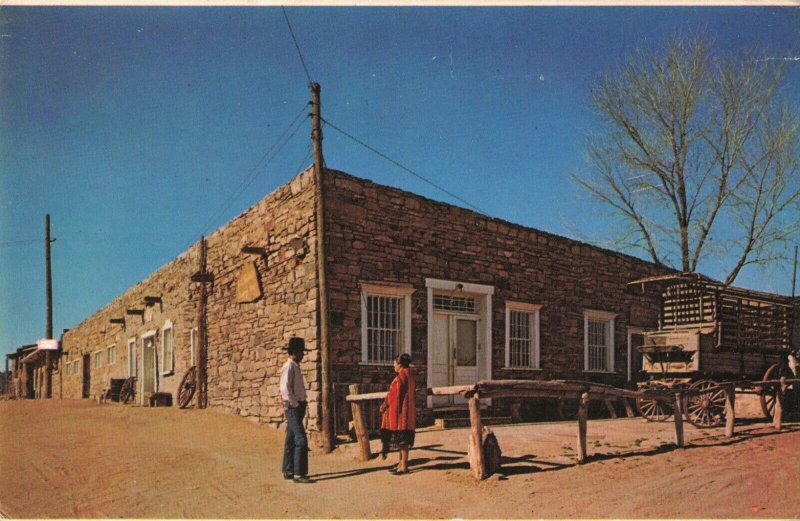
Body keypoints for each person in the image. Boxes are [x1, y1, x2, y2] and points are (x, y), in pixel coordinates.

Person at [279, 337, 313, 484]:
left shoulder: (295, 366)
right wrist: (294, 404)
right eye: (301, 352)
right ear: (294, 352)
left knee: (291, 439)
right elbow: (285, 388)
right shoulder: (289, 366)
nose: (303, 355)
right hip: (293, 406)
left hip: (298, 405)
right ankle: (299, 473)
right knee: (301, 439)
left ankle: (288, 470)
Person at [380, 352, 416, 475]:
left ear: (400, 364)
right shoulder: (408, 375)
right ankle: (401, 464)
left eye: (394, 364)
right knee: (403, 441)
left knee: (403, 441)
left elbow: (395, 395)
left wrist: (385, 405)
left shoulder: (401, 377)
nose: (393, 366)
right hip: (407, 412)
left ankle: (404, 466)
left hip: (402, 414)